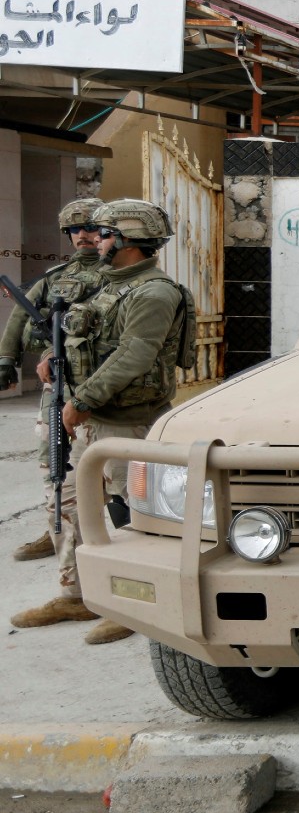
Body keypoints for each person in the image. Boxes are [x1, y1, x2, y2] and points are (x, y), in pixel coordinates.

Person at [11, 199, 194, 645]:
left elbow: (135, 355)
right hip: (89, 418)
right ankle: (76, 594)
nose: (95, 240)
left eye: (105, 233)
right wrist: (52, 356)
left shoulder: (153, 292)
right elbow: (82, 336)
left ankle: (136, 604)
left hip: (125, 422)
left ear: (129, 240)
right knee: (69, 505)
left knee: (137, 516)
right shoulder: (109, 285)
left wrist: (83, 400)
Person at [0, 198, 107, 563]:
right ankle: (57, 526)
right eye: (75, 229)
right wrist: (9, 360)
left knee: (115, 467)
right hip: (61, 383)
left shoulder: (121, 276)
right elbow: (21, 318)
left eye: (91, 227)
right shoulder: (55, 278)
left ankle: (121, 533)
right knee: (54, 459)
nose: (84, 235)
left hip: (106, 385)